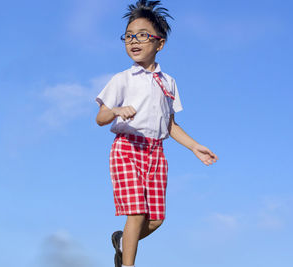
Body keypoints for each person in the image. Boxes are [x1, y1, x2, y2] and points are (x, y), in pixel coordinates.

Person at [95, 1, 218, 266]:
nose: (133, 41)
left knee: (156, 219)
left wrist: (195, 147)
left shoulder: (168, 82)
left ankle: (121, 241)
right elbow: (100, 118)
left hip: (156, 152)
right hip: (127, 147)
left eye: (142, 35)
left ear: (159, 44)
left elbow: (170, 125)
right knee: (136, 213)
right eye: (128, 36)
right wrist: (116, 110)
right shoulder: (122, 79)